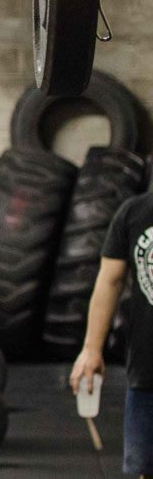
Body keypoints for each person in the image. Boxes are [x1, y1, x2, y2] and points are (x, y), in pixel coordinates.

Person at [71, 192, 153, 479]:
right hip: (147, 371)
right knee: (144, 469)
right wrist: (91, 349)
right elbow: (110, 280)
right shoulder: (134, 213)